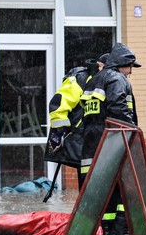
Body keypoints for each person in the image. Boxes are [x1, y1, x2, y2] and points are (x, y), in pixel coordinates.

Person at [79, 42, 140, 235]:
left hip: (91, 145)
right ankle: (119, 233)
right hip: (112, 142)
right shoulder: (117, 78)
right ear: (122, 64)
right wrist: (133, 130)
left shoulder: (93, 80)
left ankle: (107, 234)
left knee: (102, 192)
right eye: (129, 66)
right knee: (125, 188)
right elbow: (117, 107)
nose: (130, 72)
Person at [45, 53, 107, 189]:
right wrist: (60, 135)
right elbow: (59, 105)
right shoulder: (81, 79)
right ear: (101, 65)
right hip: (81, 138)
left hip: (93, 139)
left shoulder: (105, 80)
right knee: (87, 178)